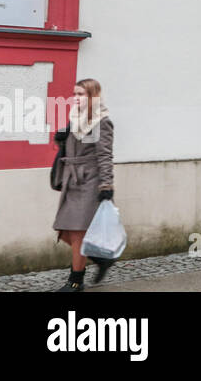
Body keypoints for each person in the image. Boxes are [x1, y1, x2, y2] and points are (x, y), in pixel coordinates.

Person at [52, 79, 116, 291]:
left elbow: (105, 155)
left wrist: (106, 185)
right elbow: (73, 148)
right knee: (64, 231)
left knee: (78, 232)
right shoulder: (74, 119)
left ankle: (75, 281)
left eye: (81, 94)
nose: (75, 98)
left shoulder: (101, 121)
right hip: (72, 179)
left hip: (90, 180)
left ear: (92, 97)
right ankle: (100, 258)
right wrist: (61, 139)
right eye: (75, 94)